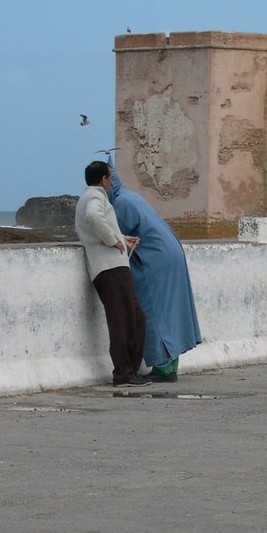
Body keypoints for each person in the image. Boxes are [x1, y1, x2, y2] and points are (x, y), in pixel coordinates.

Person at [107, 158, 201, 383]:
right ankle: (171, 365)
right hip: (170, 255)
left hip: (155, 261)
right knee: (169, 312)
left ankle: (163, 368)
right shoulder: (132, 197)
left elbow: (115, 237)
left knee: (153, 311)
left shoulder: (121, 205)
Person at [75, 161, 149, 386]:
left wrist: (121, 238)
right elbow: (93, 218)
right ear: (104, 179)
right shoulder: (96, 197)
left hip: (110, 267)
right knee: (123, 320)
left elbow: (97, 224)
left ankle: (129, 371)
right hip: (110, 268)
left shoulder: (90, 196)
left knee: (135, 317)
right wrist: (114, 241)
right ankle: (124, 374)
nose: (111, 181)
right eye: (110, 177)